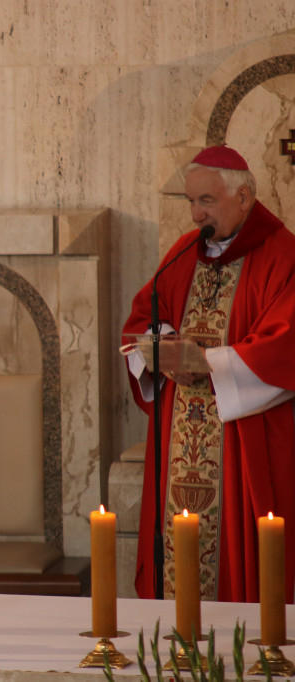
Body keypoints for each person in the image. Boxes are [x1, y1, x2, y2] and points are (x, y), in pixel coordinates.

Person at [123, 145, 295, 603]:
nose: (197, 213)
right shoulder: (184, 251)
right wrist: (158, 347)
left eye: (207, 201)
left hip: (242, 441)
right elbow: (145, 315)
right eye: (191, 202)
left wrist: (208, 364)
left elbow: (286, 345)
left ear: (244, 197)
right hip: (178, 435)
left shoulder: (282, 254)